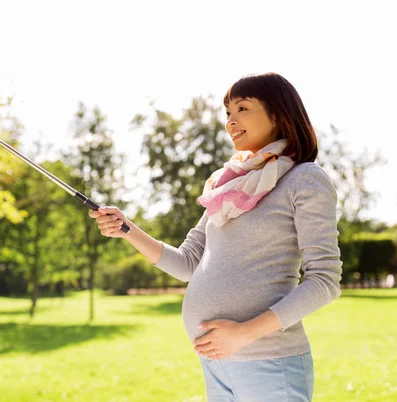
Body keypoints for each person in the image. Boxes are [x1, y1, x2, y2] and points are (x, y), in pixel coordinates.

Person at [88, 72, 342, 401]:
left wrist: (244, 334)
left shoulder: (304, 179)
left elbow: (325, 280)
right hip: (217, 361)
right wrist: (127, 229)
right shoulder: (228, 187)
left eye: (242, 108)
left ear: (277, 114)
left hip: (268, 363)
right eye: (227, 113)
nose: (231, 121)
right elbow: (189, 263)